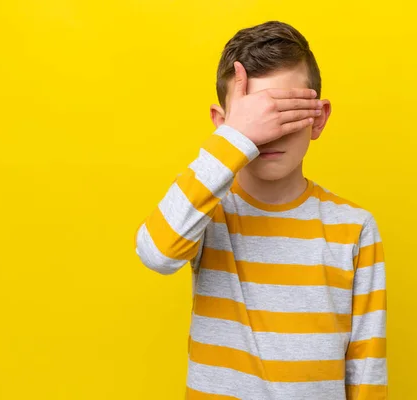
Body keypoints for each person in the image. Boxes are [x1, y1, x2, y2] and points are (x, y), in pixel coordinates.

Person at [134, 20, 387, 400]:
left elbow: (366, 366)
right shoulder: (208, 209)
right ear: (224, 125)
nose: (270, 132)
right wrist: (235, 139)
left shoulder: (354, 227)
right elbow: (156, 251)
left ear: (317, 117)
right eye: (256, 117)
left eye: (285, 112)